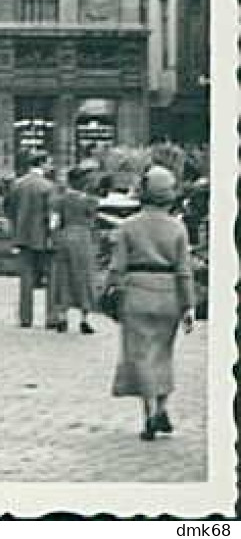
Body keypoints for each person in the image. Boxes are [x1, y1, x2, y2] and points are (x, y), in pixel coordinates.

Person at [107, 166, 196, 441]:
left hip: (136, 292)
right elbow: (184, 270)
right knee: (163, 353)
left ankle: (148, 414)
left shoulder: (128, 227)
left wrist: (112, 291)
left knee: (140, 355)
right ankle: (163, 407)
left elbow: (116, 268)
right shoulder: (177, 228)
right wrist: (188, 305)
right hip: (168, 293)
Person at [9, 150, 59, 330]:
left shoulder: (17, 184)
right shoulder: (48, 186)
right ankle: (51, 316)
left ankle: (25, 317)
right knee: (51, 278)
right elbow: (52, 215)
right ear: (42, 163)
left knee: (26, 279)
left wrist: (15, 230)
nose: (51, 166)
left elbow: (10, 210)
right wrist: (53, 235)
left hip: (22, 236)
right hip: (44, 237)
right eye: (49, 163)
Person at [51, 164, 102, 334]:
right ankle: (84, 318)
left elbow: (54, 222)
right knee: (84, 276)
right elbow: (94, 222)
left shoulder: (60, 199)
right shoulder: (90, 201)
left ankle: (62, 317)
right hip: (83, 238)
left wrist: (55, 238)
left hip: (65, 237)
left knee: (63, 276)